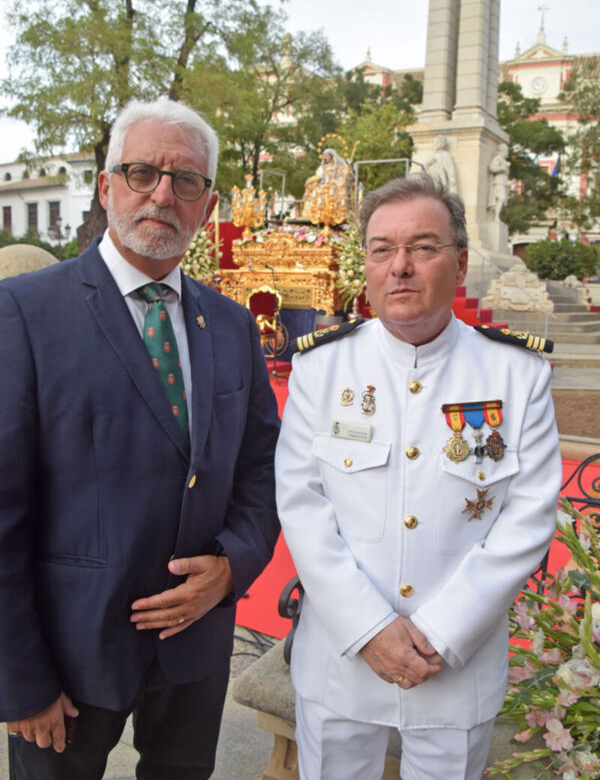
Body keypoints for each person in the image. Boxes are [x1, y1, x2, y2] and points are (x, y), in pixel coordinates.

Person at [0, 98, 280, 779]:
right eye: (142, 172)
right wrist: (20, 680)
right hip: (67, 657)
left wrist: (231, 566)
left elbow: (263, 469)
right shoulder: (26, 314)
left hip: (197, 644)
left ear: (208, 206)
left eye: (186, 181)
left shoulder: (232, 326)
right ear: (105, 187)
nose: (162, 194)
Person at [275, 175, 561, 780]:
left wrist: (440, 631)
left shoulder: (516, 372)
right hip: (343, 658)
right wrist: (370, 629)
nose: (399, 267)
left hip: (453, 664)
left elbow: (529, 515)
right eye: (382, 250)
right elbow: (302, 505)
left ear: (459, 263)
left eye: (423, 247)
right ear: (367, 265)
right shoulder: (321, 366)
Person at [489, 143, 510, 221]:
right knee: (501, 198)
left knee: (503, 199)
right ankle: (496, 217)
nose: (507, 153)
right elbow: (492, 168)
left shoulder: (503, 160)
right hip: (499, 181)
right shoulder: (498, 158)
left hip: (503, 182)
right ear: (503, 151)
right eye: (506, 151)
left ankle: (497, 216)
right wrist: (503, 168)